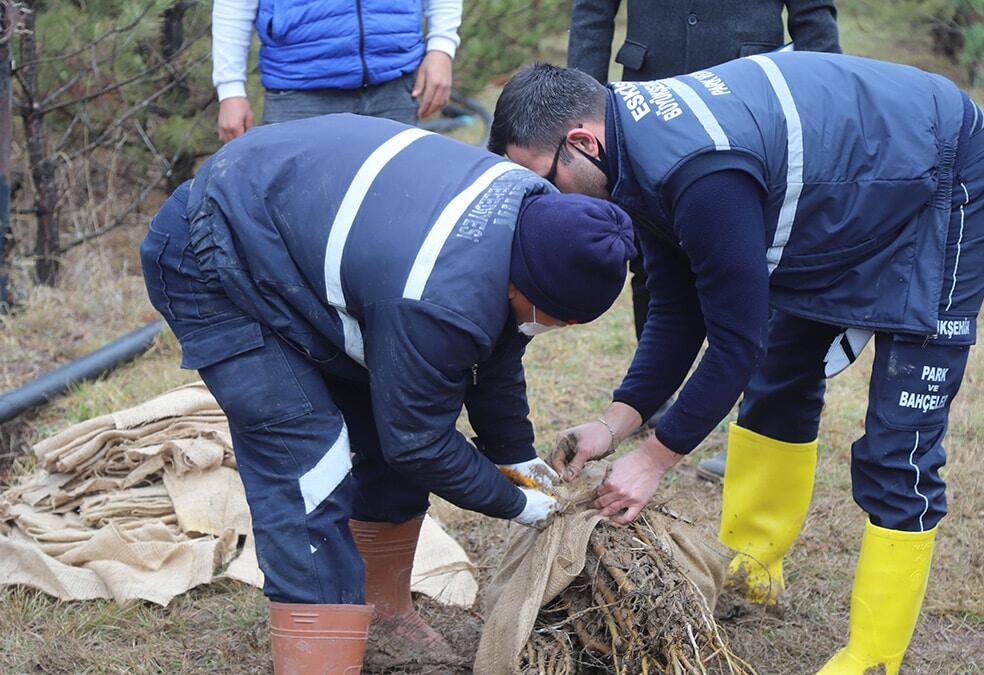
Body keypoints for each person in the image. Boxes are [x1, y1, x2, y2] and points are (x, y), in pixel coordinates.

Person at [489, 52, 984, 673]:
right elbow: (677, 309)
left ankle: (874, 655)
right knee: (778, 381)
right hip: (844, 195)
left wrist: (654, 460)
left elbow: (733, 343)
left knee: (896, 446)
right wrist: (615, 424)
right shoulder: (630, 159)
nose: (550, 202)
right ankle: (753, 566)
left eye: (546, 180)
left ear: (582, 142)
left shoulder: (699, 172)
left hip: (948, 176)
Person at [140, 114, 635, 674]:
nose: (555, 331)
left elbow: (492, 350)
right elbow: (419, 443)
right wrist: (518, 504)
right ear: (522, 283)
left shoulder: (534, 217)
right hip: (214, 248)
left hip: (308, 236)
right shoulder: (437, 294)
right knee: (310, 460)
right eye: (556, 320)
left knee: (391, 416)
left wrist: (516, 456)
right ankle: (317, 662)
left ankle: (384, 612)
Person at [565, 0, 840, 435]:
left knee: (753, 262)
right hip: (650, 90)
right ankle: (654, 398)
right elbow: (592, 12)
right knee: (653, 261)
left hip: (748, 100)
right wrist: (582, 101)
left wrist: (821, 97)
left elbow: (814, 14)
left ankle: (756, 416)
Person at [212, 0, 461, 143]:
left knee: (397, 208)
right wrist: (230, 89)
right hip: (299, 93)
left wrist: (441, 46)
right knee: (298, 215)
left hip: (394, 84)